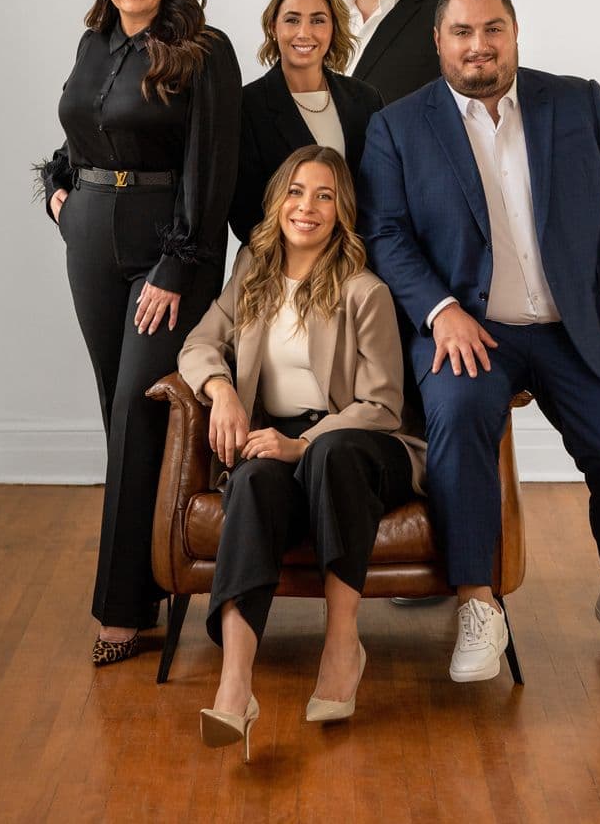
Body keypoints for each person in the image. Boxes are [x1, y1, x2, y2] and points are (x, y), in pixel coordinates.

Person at [357, 0, 600, 682]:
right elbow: (384, 233)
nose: (479, 45)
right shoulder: (398, 126)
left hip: (576, 325)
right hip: (468, 329)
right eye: (462, 32)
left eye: (492, 30)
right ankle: (477, 602)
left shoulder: (577, 102)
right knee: (460, 418)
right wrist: (440, 311)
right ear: (439, 41)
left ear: (514, 34)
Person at [36, 0, 242, 665]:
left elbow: (211, 168)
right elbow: (79, 130)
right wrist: (58, 192)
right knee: (117, 413)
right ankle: (151, 581)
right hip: (90, 238)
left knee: (139, 409)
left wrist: (178, 265)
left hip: (166, 247)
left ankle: (121, 609)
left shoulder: (203, 51)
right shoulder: (94, 43)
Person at [178, 145, 424, 760]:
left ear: (342, 211)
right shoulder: (252, 273)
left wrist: (303, 444)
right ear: (277, 202)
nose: (306, 207)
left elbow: (383, 403)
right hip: (278, 439)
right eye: (295, 191)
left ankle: (342, 645)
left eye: (323, 196)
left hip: (366, 447)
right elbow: (199, 343)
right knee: (252, 479)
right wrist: (222, 391)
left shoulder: (364, 290)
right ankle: (235, 686)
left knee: (332, 454)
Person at [229, 0, 383, 244]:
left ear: (334, 27)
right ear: (273, 27)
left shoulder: (365, 100)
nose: (304, 32)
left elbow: (379, 194)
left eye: (318, 20)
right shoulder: (246, 106)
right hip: (279, 260)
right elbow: (244, 212)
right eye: (292, 20)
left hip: (356, 257)